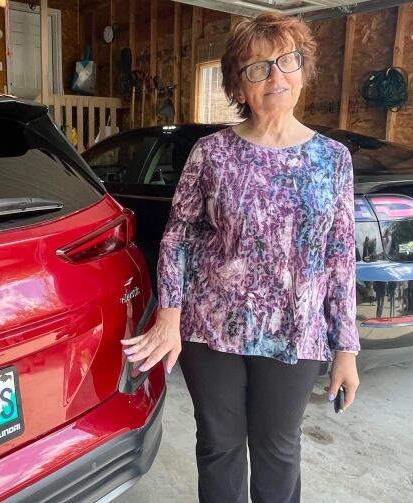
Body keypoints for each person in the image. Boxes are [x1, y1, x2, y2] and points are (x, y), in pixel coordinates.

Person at [121, 13, 361, 503]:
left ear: (303, 69)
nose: (276, 77)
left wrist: (347, 348)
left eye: (286, 61)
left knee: (278, 448)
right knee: (219, 445)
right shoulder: (211, 153)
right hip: (212, 327)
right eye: (257, 68)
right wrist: (170, 314)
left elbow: (340, 255)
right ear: (238, 83)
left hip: (297, 331)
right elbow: (178, 236)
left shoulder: (333, 158)